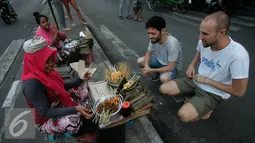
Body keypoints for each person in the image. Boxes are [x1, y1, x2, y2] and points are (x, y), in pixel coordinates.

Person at [160, 11, 250, 122]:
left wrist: (207, 80)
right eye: (200, 32)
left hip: (214, 92)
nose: (200, 37)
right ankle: (195, 99)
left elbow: (238, 91)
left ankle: (208, 106)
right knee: (163, 88)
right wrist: (191, 65)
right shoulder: (205, 42)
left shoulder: (238, 55)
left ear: (222, 32)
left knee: (184, 115)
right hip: (196, 80)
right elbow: (198, 54)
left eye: (205, 34)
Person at [21, 36, 97, 142]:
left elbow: (60, 86)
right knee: (73, 121)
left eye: (51, 59)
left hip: (57, 103)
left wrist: (79, 79)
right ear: (35, 61)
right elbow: (45, 112)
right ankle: (79, 136)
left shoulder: (45, 71)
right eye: (46, 62)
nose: (52, 64)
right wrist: (75, 109)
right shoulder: (31, 84)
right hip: (46, 118)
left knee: (83, 87)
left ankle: (78, 111)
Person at [137, 16, 182, 83]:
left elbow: (170, 67)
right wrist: (146, 66)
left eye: (153, 33)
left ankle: (170, 77)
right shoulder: (154, 39)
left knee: (163, 78)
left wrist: (151, 70)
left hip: (172, 66)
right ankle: (159, 72)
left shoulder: (172, 43)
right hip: (159, 61)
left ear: (163, 31)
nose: (150, 36)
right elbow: (148, 53)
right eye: (148, 33)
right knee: (140, 61)